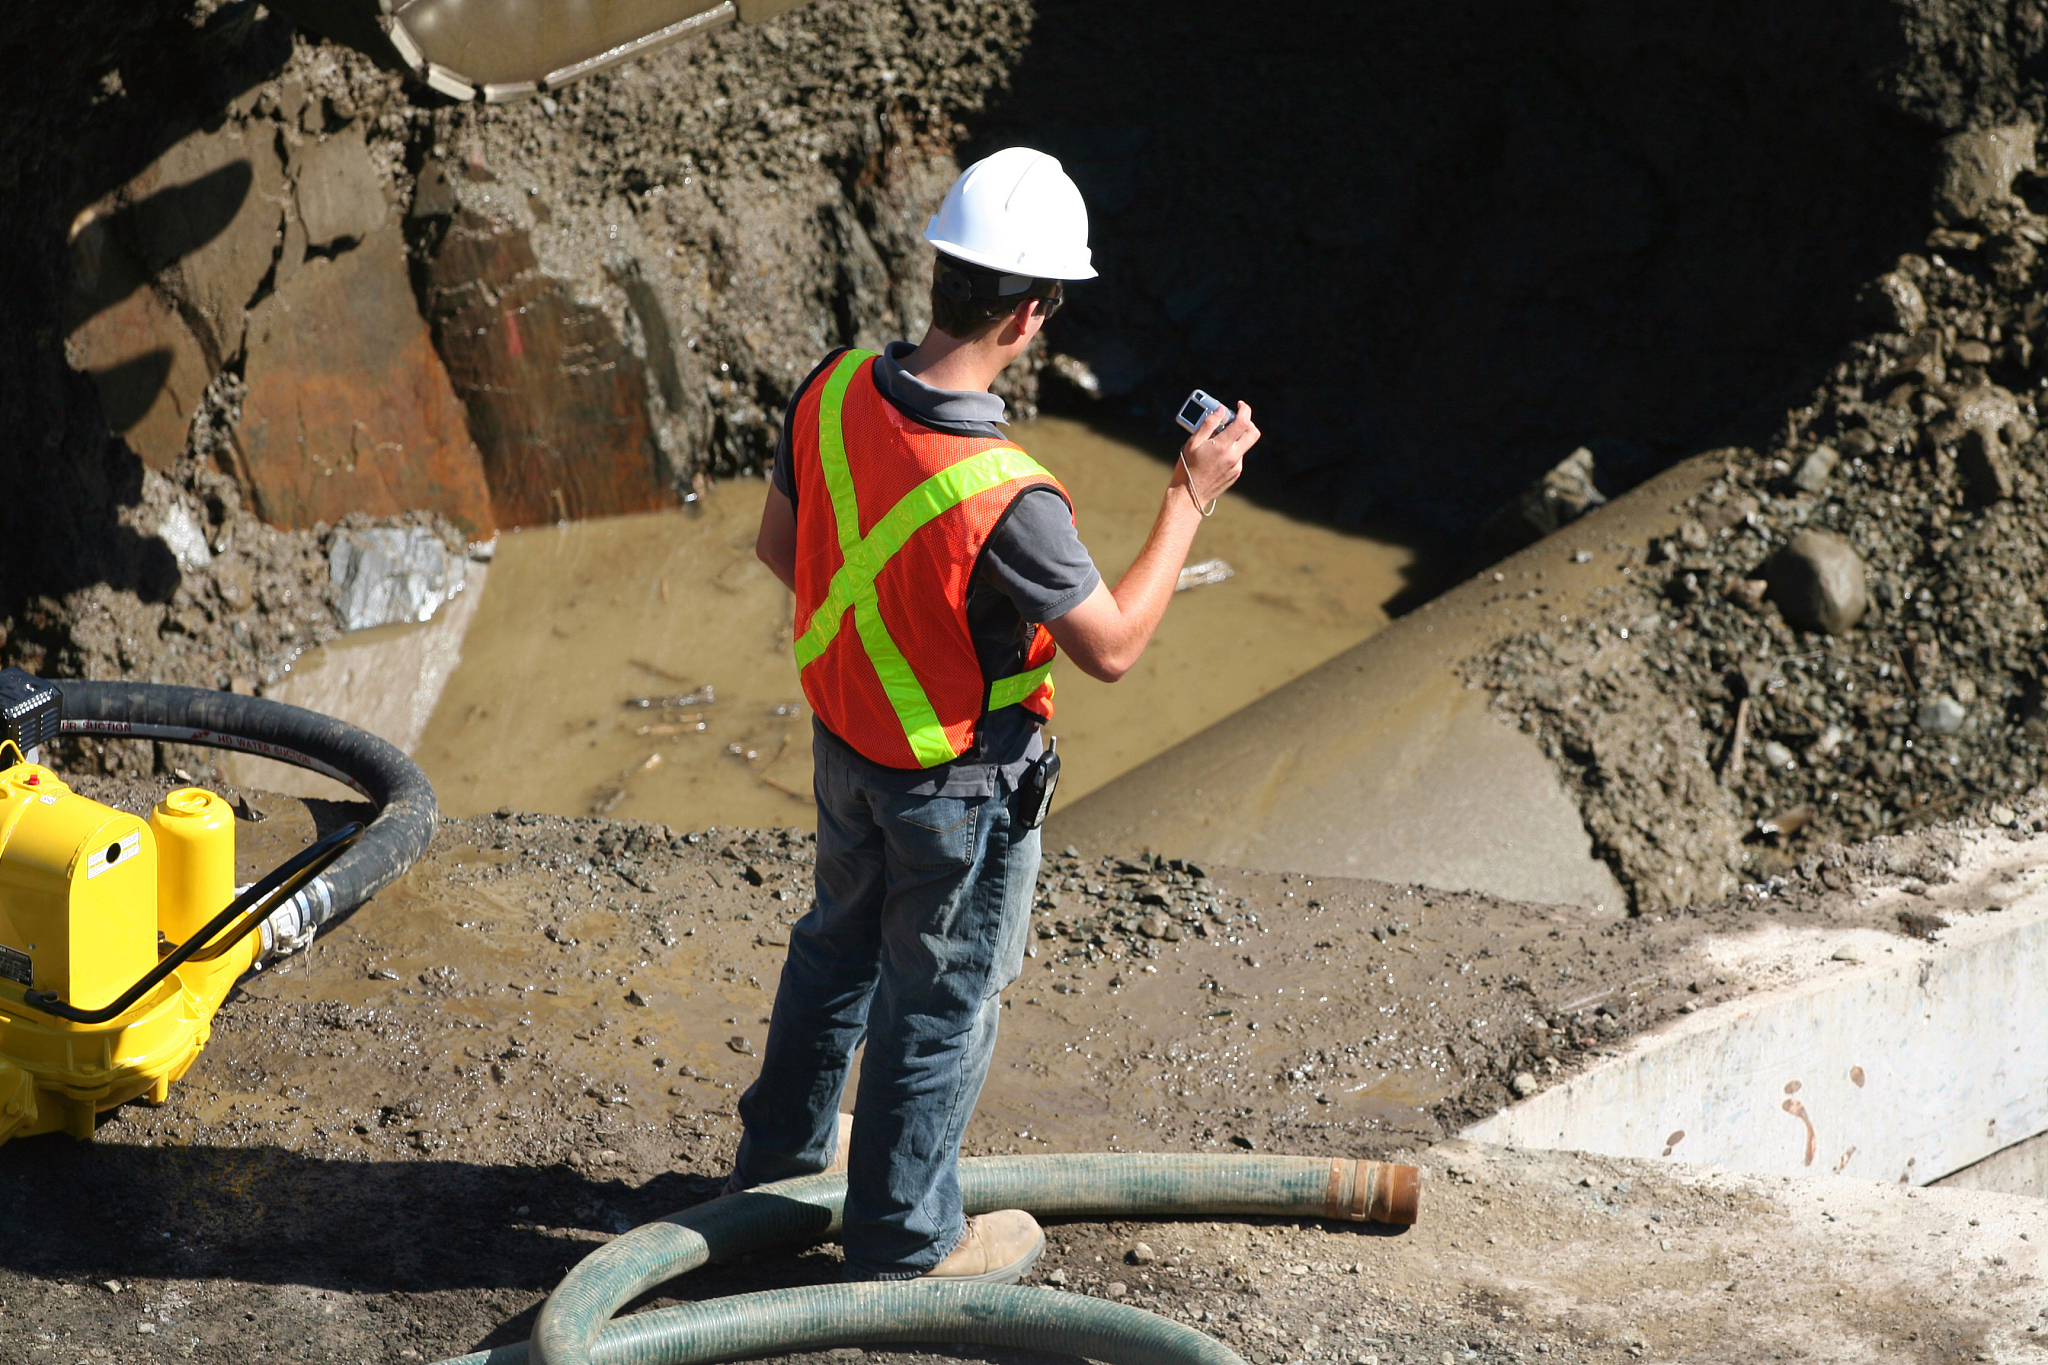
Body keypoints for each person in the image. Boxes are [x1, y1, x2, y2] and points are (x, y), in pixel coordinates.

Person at [732, 147, 1261, 1283]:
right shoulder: (1007, 495)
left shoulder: (828, 390)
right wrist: (1186, 497)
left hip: (844, 748)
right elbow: (1111, 646)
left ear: (937, 272)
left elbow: (784, 551)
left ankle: (775, 1170)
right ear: (1031, 313)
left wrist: (891, 652)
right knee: (938, 1002)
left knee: (832, 951)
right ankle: (904, 1240)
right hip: (957, 792)